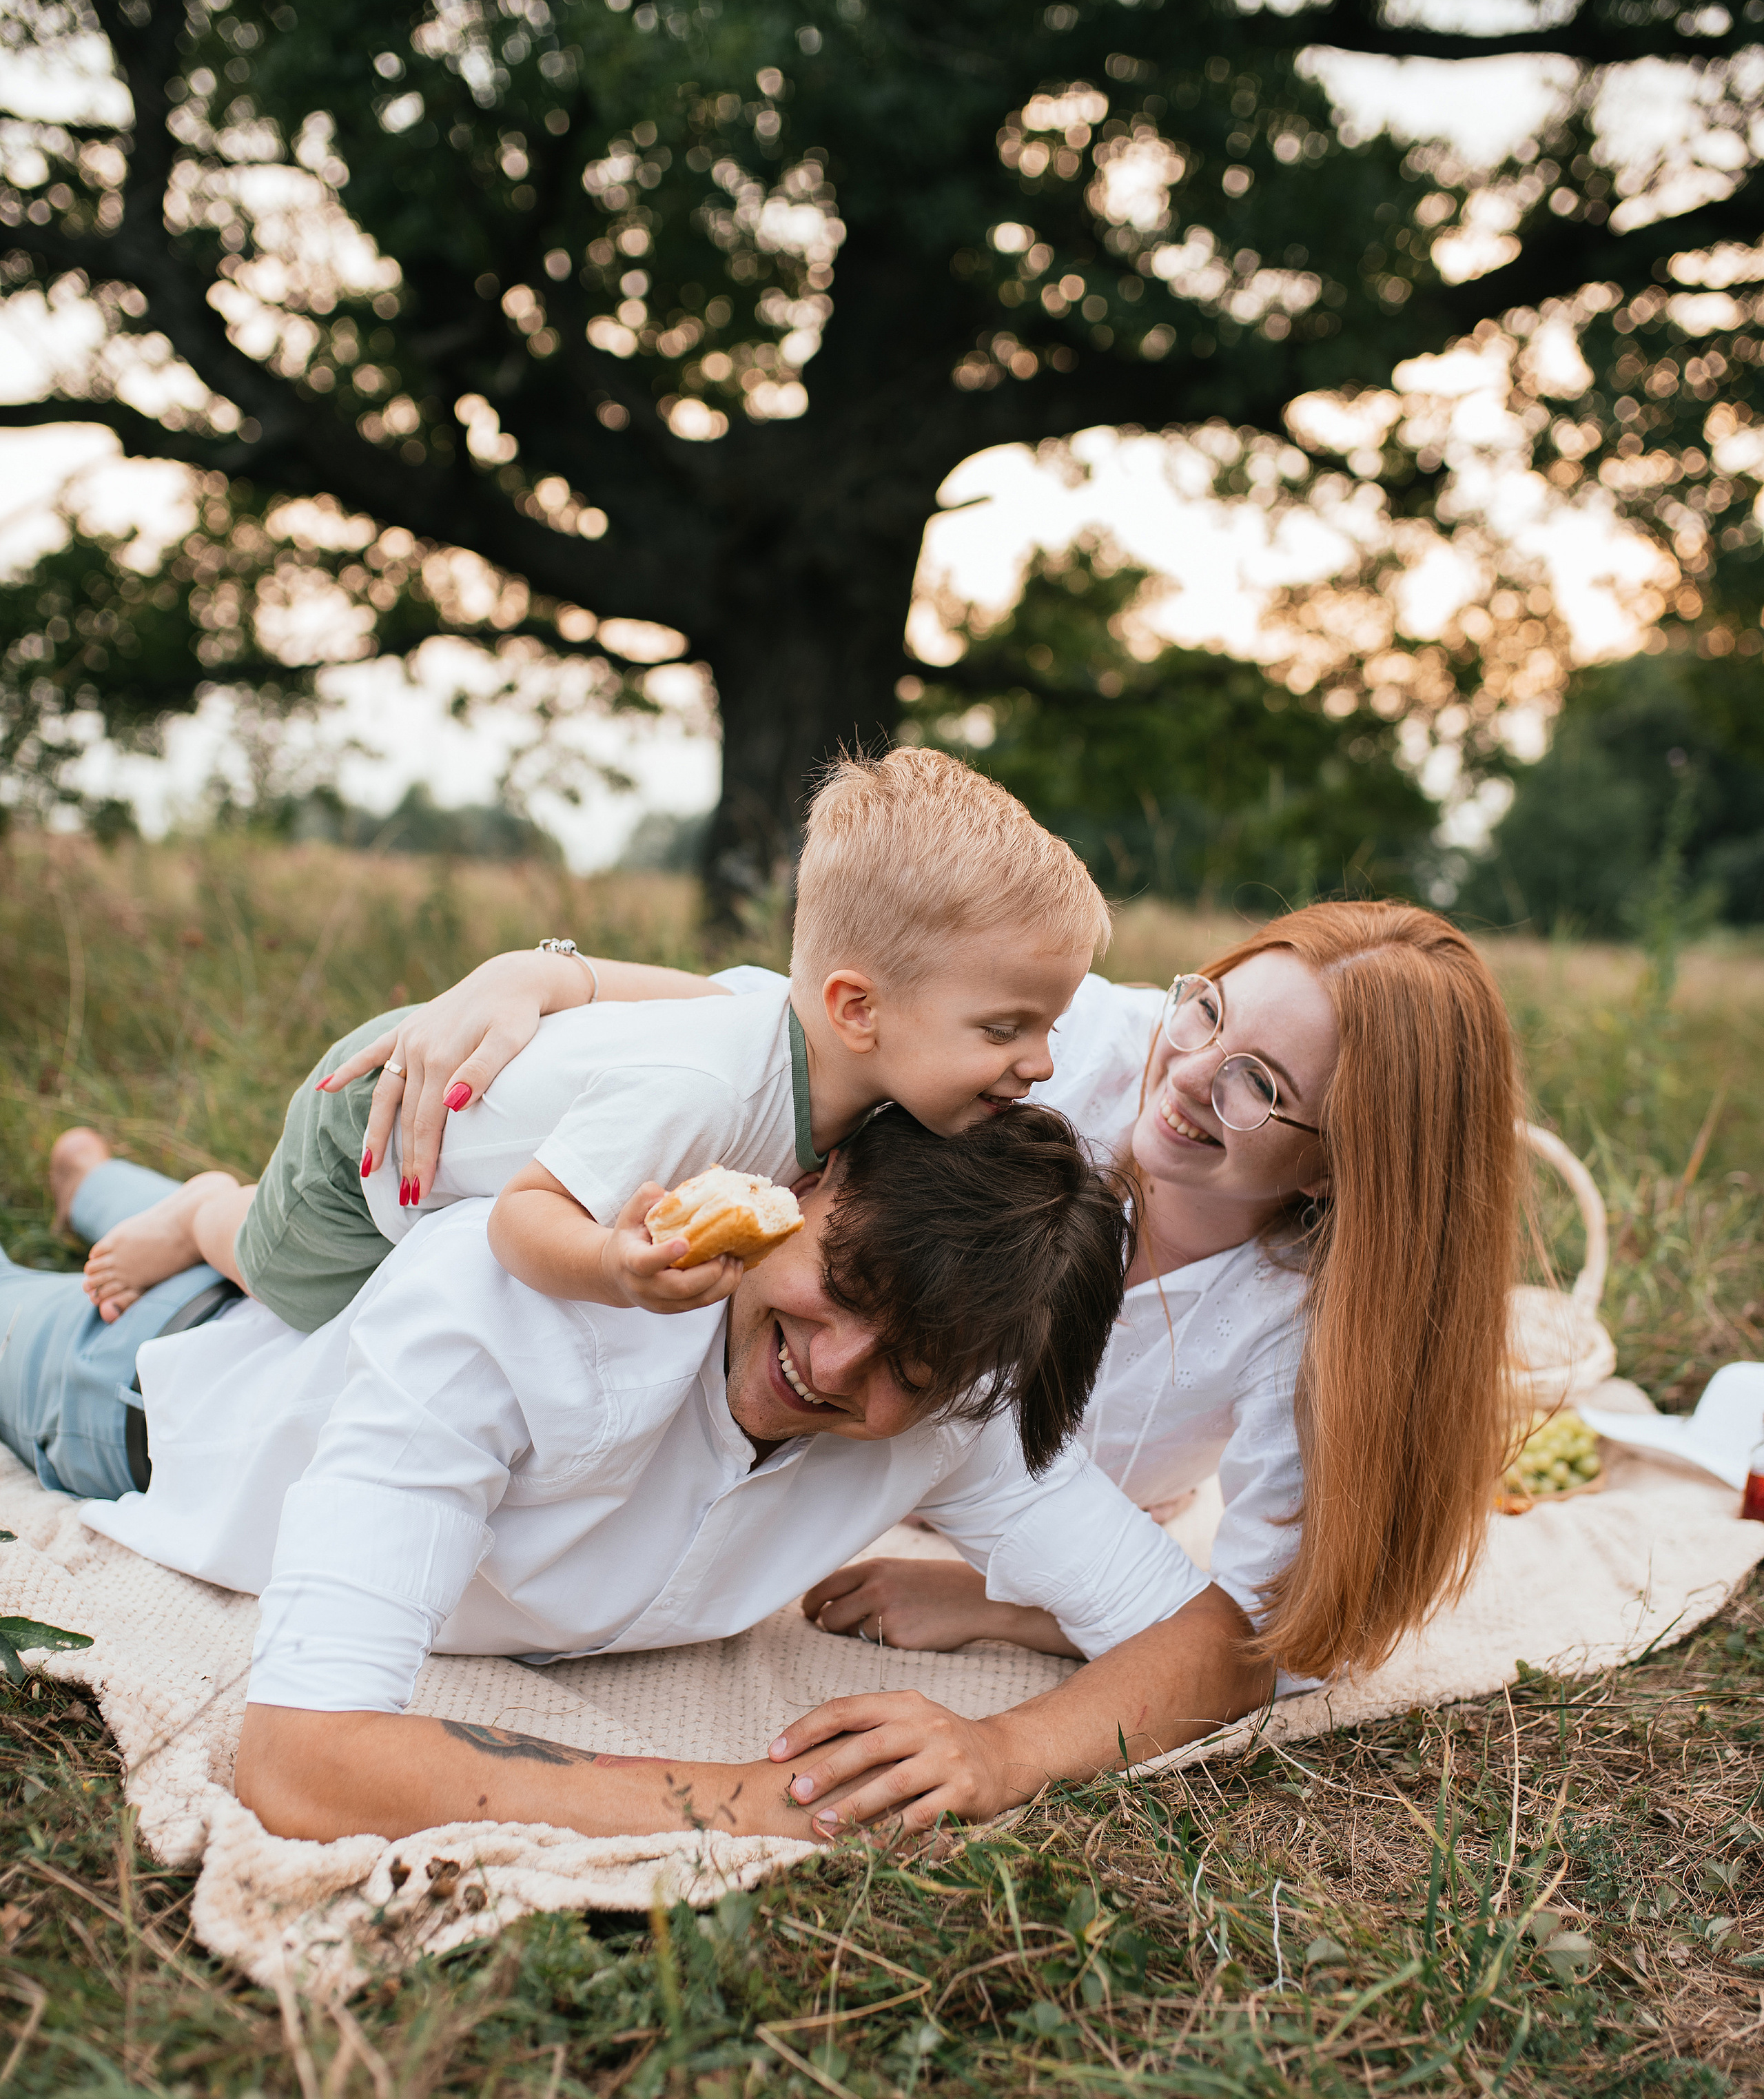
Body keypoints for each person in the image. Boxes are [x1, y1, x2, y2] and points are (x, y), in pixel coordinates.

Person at [1, 1105, 1271, 1846]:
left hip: (303, 1336)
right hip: (134, 1390)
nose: (837, 1367)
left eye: (915, 1367)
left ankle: (112, 1182)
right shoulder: (508, 1319)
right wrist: (751, 1803)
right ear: (803, 1188)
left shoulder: (957, 1416)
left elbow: (1229, 1648)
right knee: (85, 1302)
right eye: (846, 1289)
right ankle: (156, 1208)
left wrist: (1004, 1752)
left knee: (205, 1238)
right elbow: (302, 1761)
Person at [348, 900, 1524, 1696]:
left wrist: (1002, 1608)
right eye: (1208, 1011)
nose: (1192, 1077)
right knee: (342, 1273)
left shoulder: (1314, 1325)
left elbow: (1281, 1642)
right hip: (855, 1421)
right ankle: (205, 1218)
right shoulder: (1090, 1051)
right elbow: (808, 1032)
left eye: (1260, 1086)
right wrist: (552, 972)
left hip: (1032, 1503)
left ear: (1342, 1164)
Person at [76, 750, 1109, 1332]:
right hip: (379, 1136)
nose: (1043, 1062)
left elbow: (697, 989)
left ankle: (134, 1190)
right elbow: (521, 1219)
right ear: (857, 1008)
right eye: (1006, 1028)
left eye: (1050, 1025)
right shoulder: (704, 1094)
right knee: (304, 1299)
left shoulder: (801, 1034)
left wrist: (554, 971)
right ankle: (206, 1212)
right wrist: (614, 1267)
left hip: (472, 1089)